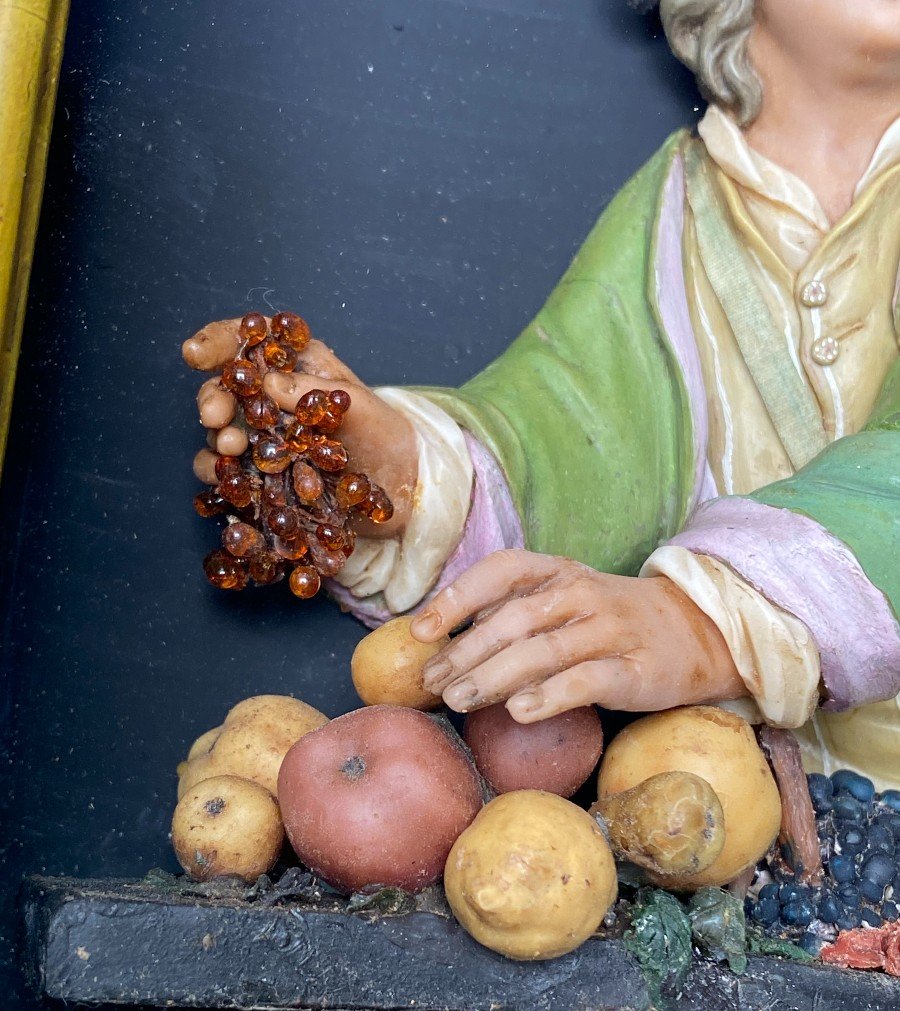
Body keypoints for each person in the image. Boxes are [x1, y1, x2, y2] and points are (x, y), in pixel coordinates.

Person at [184, 0, 900, 789]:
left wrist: (705, 625)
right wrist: (410, 480)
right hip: (714, 794)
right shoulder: (674, 213)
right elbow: (574, 432)